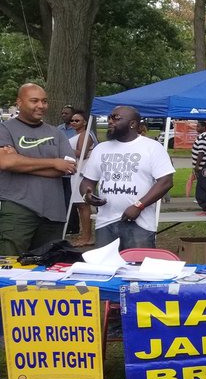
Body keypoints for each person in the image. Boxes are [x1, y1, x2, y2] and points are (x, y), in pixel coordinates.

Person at [79, 106, 175, 251]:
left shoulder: (152, 147)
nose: (110, 121)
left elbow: (166, 181)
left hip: (139, 224)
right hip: (105, 223)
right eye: (110, 117)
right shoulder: (101, 149)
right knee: (104, 269)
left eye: (116, 118)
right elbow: (87, 181)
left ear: (132, 124)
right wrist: (87, 195)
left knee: (137, 270)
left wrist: (139, 205)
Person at [0, 83, 76, 255]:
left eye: (44, 101)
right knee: (9, 264)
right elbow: (5, 163)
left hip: (53, 212)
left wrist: (19, 161)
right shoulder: (4, 129)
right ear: (19, 102)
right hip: (18, 208)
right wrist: (54, 162)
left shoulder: (57, 133)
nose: (41, 106)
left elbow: (68, 167)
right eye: (34, 101)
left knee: (47, 267)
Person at [67, 110, 97, 246]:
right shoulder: (77, 135)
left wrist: (63, 148)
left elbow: (82, 153)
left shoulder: (85, 135)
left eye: (77, 120)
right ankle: (83, 234)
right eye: (72, 120)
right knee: (79, 205)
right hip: (75, 172)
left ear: (85, 122)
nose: (73, 122)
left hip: (82, 173)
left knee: (84, 205)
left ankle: (87, 237)